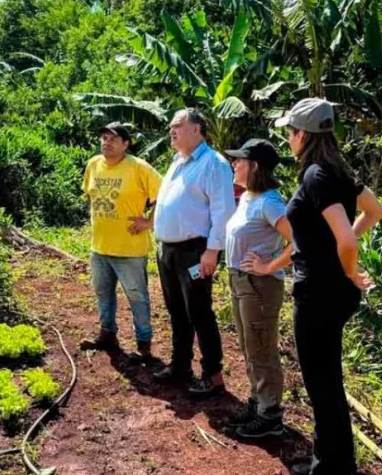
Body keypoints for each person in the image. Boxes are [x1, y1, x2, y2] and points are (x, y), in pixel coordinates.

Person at [274, 99, 382, 475]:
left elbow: (348, 239)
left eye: (290, 131)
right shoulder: (340, 172)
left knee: (322, 388)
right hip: (331, 291)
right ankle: (338, 467)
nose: (288, 138)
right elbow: (375, 210)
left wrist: (348, 270)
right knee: (328, 383)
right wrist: (345, 271)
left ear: (302, 135)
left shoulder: (317, 175)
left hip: (320, 292)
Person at [152, 108, 236, 396]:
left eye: (178, 125)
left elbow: (223, 211)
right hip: (168, 251)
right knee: (176, 310)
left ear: (197, 129)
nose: (172, 131)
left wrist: (212, 251)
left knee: (200, 312)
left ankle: (212, 375)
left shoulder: (215, 164)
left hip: (195, 251)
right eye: (170, 126)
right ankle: (180, 365)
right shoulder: (178, 161)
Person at [222, 139, 293, 439]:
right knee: (249, 345)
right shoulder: (249, 197)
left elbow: (300, 240)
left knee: (261, 348)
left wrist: (269, 266)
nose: (234, 164)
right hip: (240, 280)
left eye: (240, 160)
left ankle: (270, 415)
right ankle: (257, 402)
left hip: (259, 285)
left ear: (255, 167)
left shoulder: (270, 202)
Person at [80, 122, 162, 359]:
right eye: (104, 137)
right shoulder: (94, 164)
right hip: (100, 246)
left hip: (130, 249)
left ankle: (144, 344)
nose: (106, 142)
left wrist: (149, 221)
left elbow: (164, 195)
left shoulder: (139, 168)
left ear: (126, 144)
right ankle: (107, 334)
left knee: (137, 296)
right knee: (102, 292)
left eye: (113, 139)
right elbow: (91, 196)